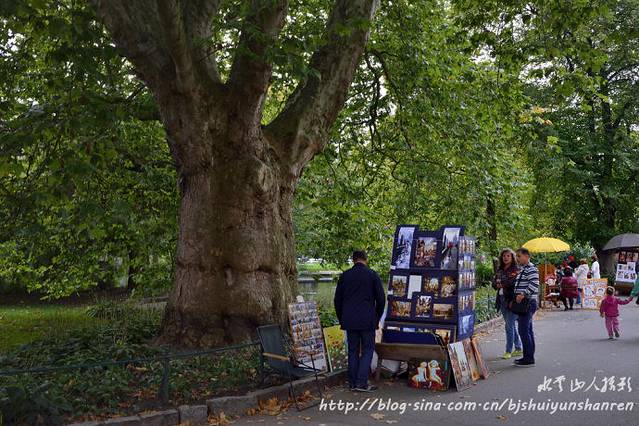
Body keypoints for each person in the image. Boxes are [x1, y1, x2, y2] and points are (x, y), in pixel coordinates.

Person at [334, 250, 385, 392]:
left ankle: (352, 382)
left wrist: (341, 318)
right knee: (368, 350)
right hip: (368, 320)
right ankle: (361, 382)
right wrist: (377, 317)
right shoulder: (372, 275)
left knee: (353, 350)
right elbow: (381, 299)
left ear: (353, 260)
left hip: (350, 320)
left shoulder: (345, 276)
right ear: (365, 260)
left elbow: (337, 300)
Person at [492, 248, 522, 359]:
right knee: (511, 325)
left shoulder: (516, 269)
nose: (505, 258)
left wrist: (502, 284)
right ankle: (518, 348)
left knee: (508, 326)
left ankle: (508, 351)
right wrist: (496, 284)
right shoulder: (500, 270)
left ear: (512, 257)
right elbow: (494, 283)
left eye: (508, 256)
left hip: (512, 300)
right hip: (501, 299)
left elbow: (514, 282)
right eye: (504, 256)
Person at [513, 247, 539, 367]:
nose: (517, 258)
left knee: (523, 330)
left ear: (527, 256)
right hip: (525, 302)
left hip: (527, 302)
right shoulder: (523, 269)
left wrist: (523, 294)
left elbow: (534, 284)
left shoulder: (531, 269)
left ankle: (528, 358)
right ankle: (528, 356)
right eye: (516, 256)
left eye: (519, 256)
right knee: (527, 330)